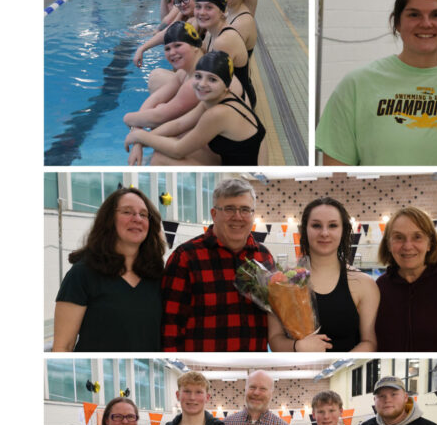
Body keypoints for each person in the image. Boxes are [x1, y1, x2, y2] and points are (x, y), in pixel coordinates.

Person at [317, 0, 437, 166]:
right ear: (397, 23)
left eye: (436, 15)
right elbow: (337, 170)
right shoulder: (357, 84)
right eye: (414, 15)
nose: (426, 23)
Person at [161, 178, 276, 351]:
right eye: (229, 209)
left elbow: (275, 317)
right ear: (214, 214)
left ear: (253, 214)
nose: (237, 217)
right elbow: (169, 327)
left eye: (245, 210)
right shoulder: (186, 257)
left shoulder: (264, 257)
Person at [53, 188, 165, 351]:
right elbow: (63, 346)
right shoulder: (82, 274)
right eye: (127, 212)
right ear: (109, 219)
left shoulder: (157, 275)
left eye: (143, 214)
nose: (137, 219)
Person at [269, 197, 379, 352]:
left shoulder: (364, 284)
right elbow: (274, 339)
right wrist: (297, 346)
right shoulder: (282, 282)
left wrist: (340, 362)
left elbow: (369, 341)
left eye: (333, 225)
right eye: (316, 225)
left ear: (343, 231)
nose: (324, 233)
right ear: (305, 230)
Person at [126, 51, 265, 166]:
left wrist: (140, 135)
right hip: (233, 159)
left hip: (243, 175)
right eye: (198, 76)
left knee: (160, 159)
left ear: (226, 85)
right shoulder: (216, 99)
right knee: (175, 136)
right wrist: (139, 142)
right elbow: (179, 125)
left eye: (212, 79)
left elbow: (178, 151)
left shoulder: (219, 113)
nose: (202, 84)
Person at [374, 206, 437, 351]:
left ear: (430, 243)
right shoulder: (380, 287)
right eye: (398, 237)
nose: (407, 246)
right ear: (389, 244)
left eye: (417, 237)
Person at [193, 0, 256, 106]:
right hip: (225, 93)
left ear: (222, 12)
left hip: (239, 102)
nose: (201, 12)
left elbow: (211, 85)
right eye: (198, 7)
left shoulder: (224, 40)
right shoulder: (211, 31)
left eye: (209, 7)